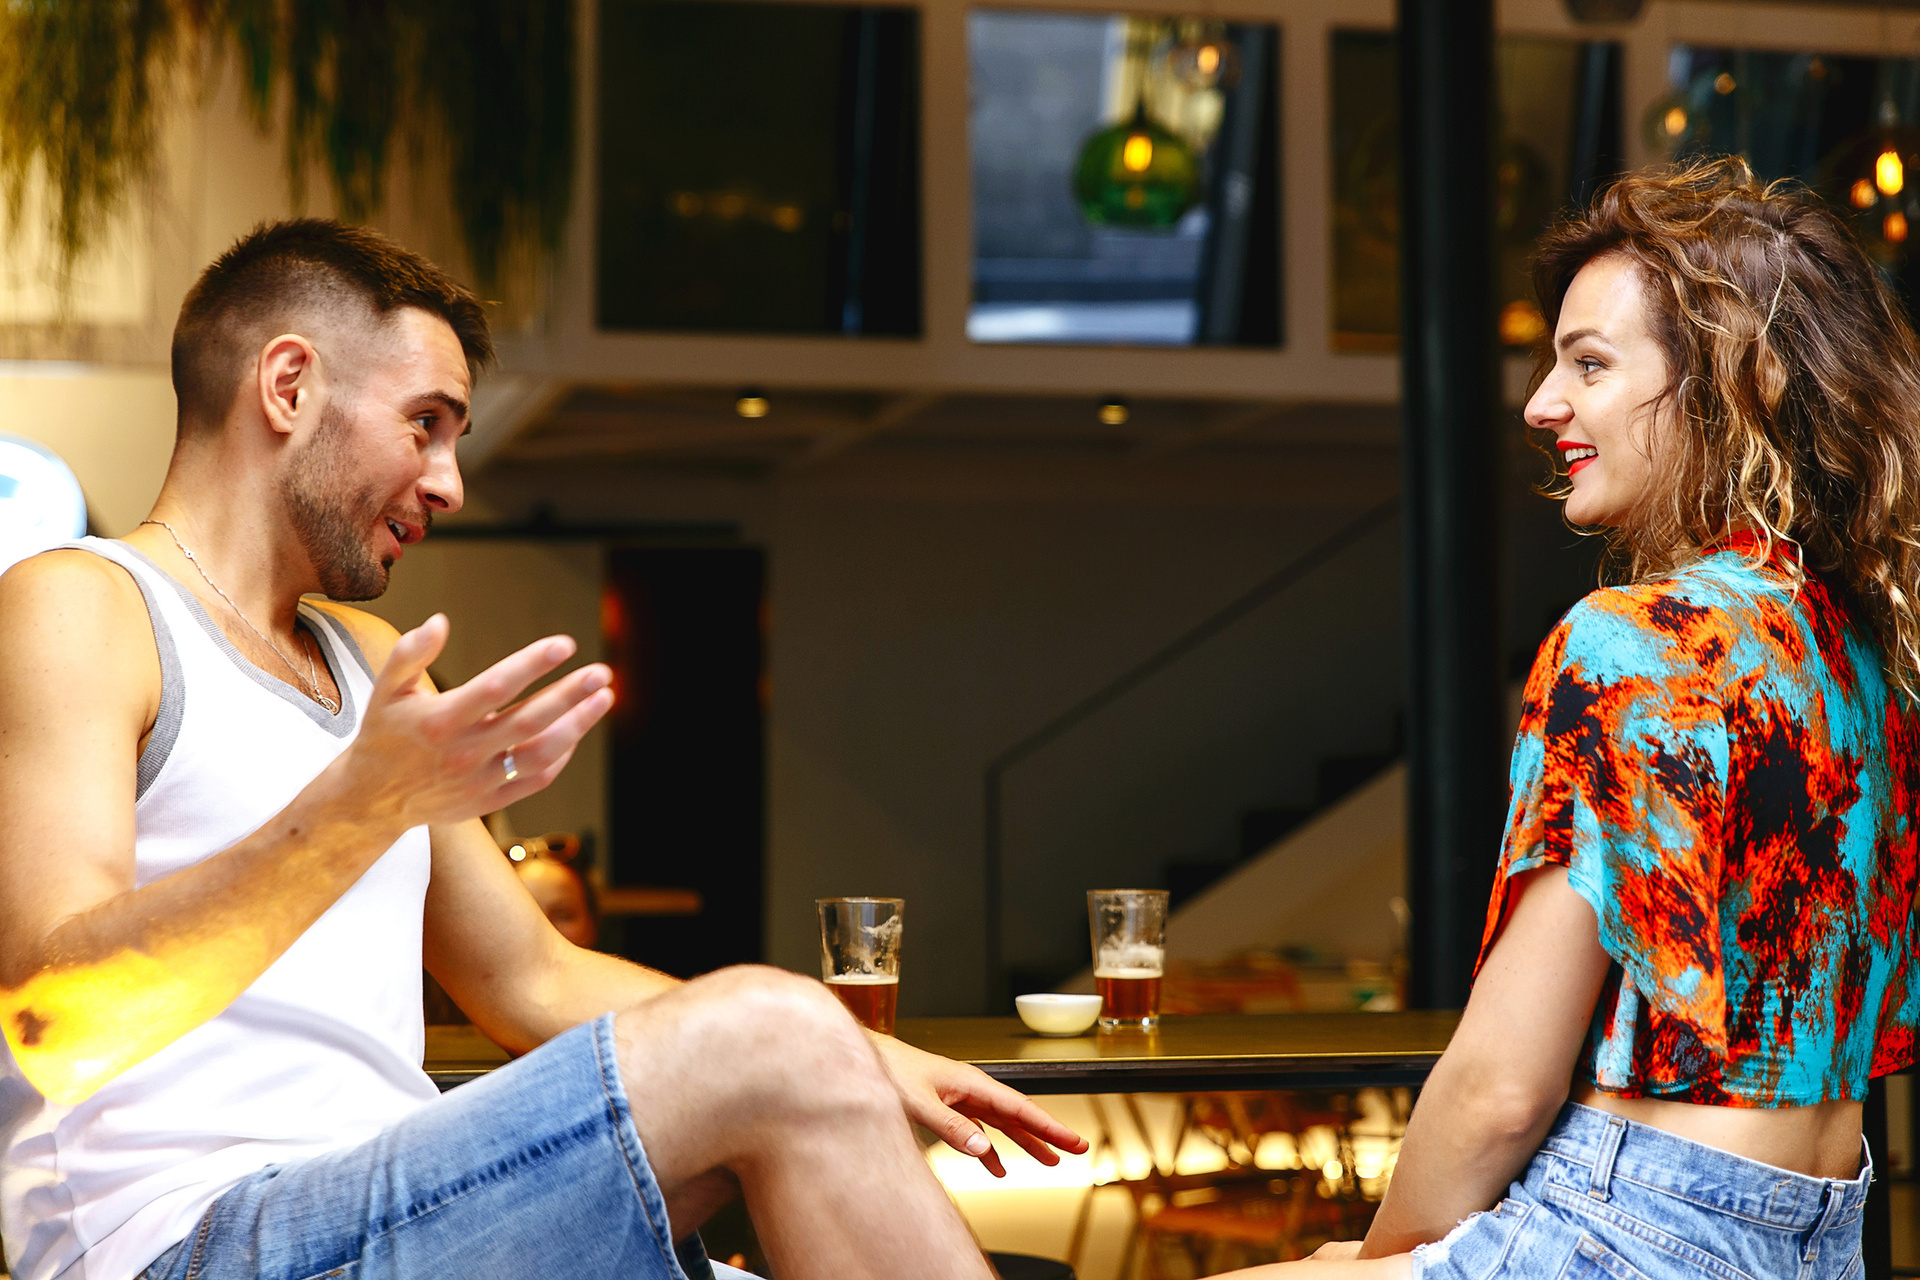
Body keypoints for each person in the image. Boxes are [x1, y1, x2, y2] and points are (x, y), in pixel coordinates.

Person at [0, 218, 1084, 1280]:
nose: (449, 482)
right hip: (188, 1239)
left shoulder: (367, 657)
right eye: (425, 423)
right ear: (288, 386)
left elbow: (531, 975)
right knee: (776, 1030)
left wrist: (858, 1059)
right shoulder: (83, 605)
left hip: (402, 1213)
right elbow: (52, 1019)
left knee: (798, 1048)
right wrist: (354, 810)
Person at [1226, 159, 1920, 1278]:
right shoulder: (1870, 652)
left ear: (1728, 388)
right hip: (1822, 1232)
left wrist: (1370, 1260)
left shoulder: (1631, 643)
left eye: (1589, 364)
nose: (1541, 403)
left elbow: (1503, 1088)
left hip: (1632, 1216)